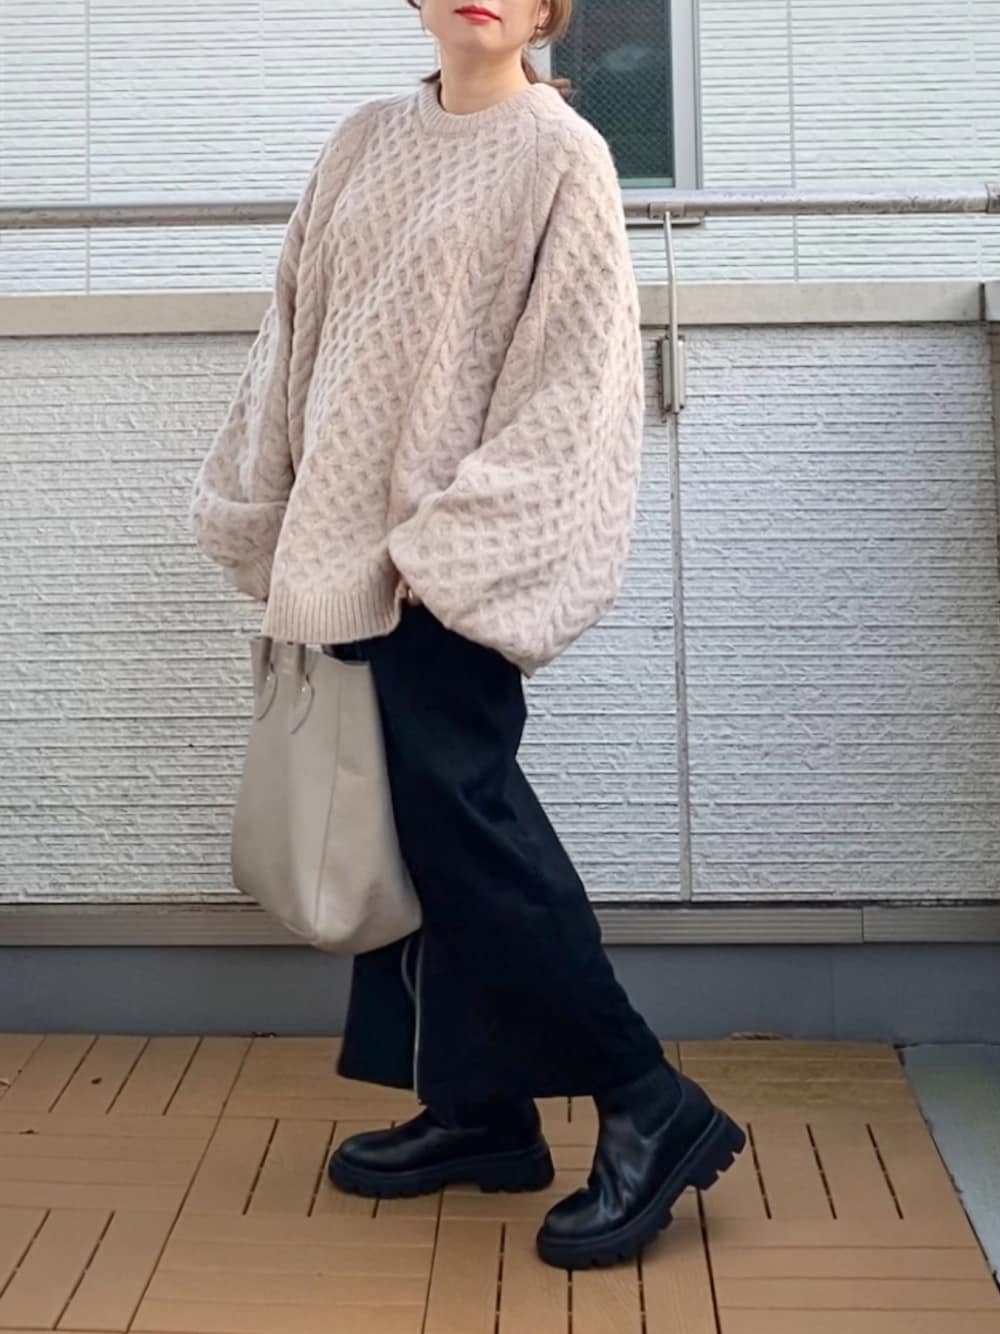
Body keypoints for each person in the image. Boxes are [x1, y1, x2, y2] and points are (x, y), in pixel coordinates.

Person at [189, 0, 744, 1271]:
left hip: (441, 568)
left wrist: (446, 551)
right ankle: (482, 1111)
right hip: (342, 548)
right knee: (413, 835)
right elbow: (292, 330)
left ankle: (646, 1096)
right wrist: (267, 503)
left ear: (548, 10)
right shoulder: (363, 139)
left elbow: (577, 384)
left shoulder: (561, 153)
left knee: (473, 836)